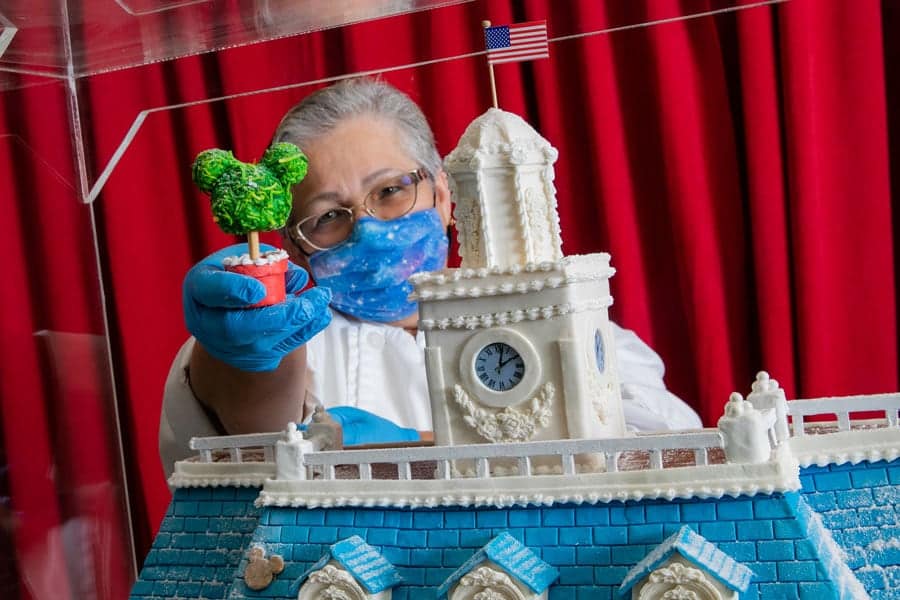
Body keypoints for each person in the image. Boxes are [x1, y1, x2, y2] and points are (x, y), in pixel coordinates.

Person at [159, 78, 701, 475]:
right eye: (329, 215)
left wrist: (414, 450)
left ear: (443, 195)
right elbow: (247, 435)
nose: (367, 230)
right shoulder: (295, 340)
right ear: (297, 246)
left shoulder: (582, 330)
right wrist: (237, 354)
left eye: (390, 191)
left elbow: (664, 457)